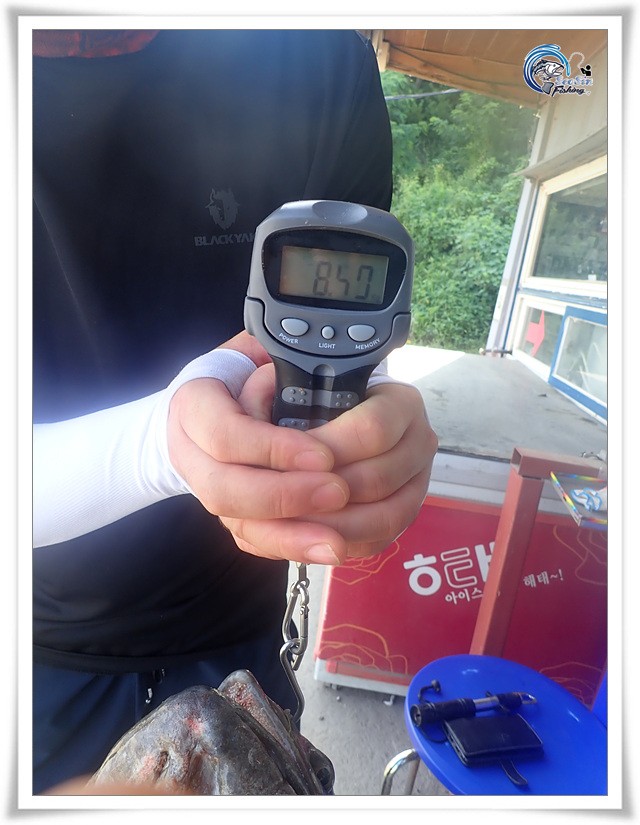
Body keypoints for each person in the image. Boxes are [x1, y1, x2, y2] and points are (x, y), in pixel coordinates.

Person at [32, 28, 438, 794]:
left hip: (246, 634)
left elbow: (349, 325)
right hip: (38, 655)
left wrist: (365, 432)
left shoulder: (322, 63)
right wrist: (164, 444)